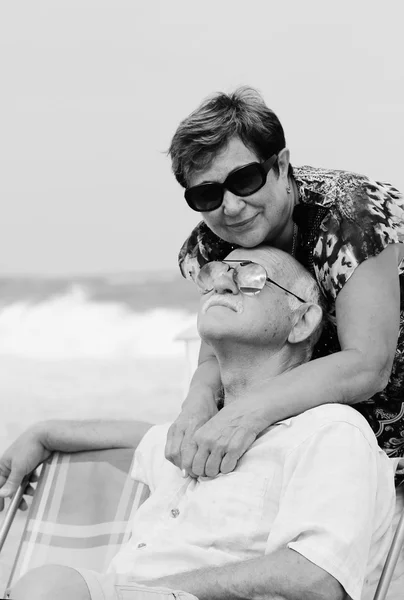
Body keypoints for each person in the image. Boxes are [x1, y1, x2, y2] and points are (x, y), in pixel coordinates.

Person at [0, 247, 397, 600]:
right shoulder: (201, 437)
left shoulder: (330, 431)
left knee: (51, 587)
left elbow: (318, 580)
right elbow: (140, 437)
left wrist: (139, 591)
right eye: (215, 275)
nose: (223, 284)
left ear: (302, 321)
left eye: (250, 277)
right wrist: (43, 432)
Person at [165, 86, 404, 479]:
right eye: (207, 194)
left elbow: (367, 365)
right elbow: (216, 353)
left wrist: (245, 413)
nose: (231, 207)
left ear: (280, 165)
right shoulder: (209, 246)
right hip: (326, 440)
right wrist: (199, 398)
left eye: (244, 180)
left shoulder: (351, 217)